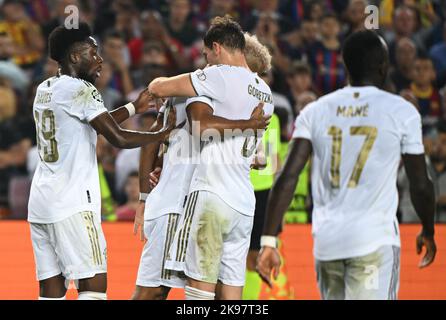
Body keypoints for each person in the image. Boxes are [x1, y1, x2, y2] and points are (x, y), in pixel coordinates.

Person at [257, 30, 437, 300]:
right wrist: (428, 229)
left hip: (328, 243)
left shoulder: (316, 110)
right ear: (384, 67)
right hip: (374, 242)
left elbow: (287, 177)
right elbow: (420, 184)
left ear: (345, 66)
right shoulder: (402, 111)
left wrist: (269, 240)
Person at [27, 23, 174, 301]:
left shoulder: (45, 88)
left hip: (42, 204)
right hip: (72, 204)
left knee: (51, 289)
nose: (100, 59)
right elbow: (116, 137)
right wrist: (159, 134)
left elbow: (90, 124)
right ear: (74, 57)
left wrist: (133, 108)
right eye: (92, 53)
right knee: (93, 286)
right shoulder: (82, 89)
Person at [131, 31, 272, 301]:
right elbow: (153, 139)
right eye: (251, 75)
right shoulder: (200, 88)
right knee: (154, 290)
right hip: (177, 204)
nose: (250, 84)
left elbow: (262, 159)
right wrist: (144, 196)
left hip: (205, 204)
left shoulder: (232, 97)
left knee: (213, 291)